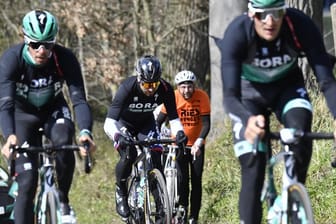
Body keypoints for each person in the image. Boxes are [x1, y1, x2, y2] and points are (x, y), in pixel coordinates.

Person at [220, 0, 336, 223]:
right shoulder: (237, 33)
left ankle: (294, 193)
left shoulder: (300, 25)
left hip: (288, 89)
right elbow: (230, 96)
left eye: (276, 13)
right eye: (263, 15)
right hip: (248, 97)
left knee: (300, 131)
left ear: (285, 12)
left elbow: (327, 82)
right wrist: (247, 120)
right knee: (253, 166)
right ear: (252, 15)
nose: (270, 21)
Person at [0, 10, 96, 224]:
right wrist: (9, 136)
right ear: (25, 39)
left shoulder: (65, 58)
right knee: (27, 182)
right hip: (22, 116)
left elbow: (79, 99)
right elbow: (5, 104)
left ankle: (63, 199)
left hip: (54, 111)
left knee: (64, 143)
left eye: (48, 44)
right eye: (35, 44)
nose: (42, 50)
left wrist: (86, 132)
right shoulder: (11, 60)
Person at [103, 55, 187, 220]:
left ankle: (162, 207)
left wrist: (179, 133)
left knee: (156, 157)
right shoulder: (127, 87)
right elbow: (109, 122)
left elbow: (174, 119)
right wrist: (118, 136)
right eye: (147, 85)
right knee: (130, 154)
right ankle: (121, 192)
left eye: (154, 84)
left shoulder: (165, 89)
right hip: (123, 124)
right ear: (139, 79)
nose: (151, 89)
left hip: (146, 124)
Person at [156, 70, 211, 224]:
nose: (187, 90)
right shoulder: (172, 97)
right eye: (183, 87)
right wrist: (159, 138)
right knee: (182, 180)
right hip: (178, 145)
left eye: (189, 87)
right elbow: (159, 121)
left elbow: (206, 124)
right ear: (178, 87)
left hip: (197, 146)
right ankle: (183, 210)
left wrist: (199, 142)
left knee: (196, 180)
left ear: (194, 86)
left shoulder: (202, 96)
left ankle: (194, 216)